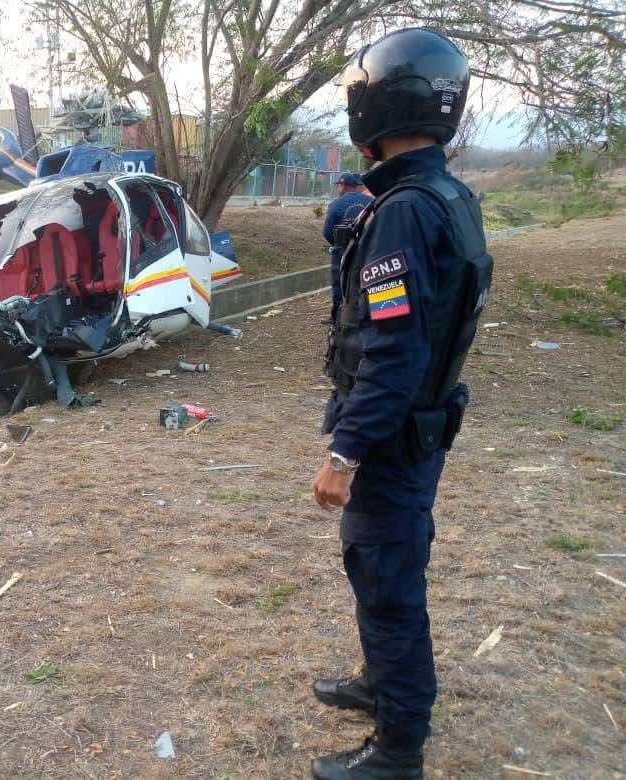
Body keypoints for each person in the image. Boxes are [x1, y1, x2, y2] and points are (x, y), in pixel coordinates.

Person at [310, 27, 494, 779]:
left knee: (387, 582)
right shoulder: (447, 195)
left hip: (389, 437)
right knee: (384, 570)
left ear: (371, 111)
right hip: (418, 427)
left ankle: (398, 747)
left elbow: (393, 352)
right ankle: (382, 685)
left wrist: (343, 453)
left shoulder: (404, 213)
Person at [323, 173, 373, 313]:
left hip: (342, 253)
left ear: (342, 185)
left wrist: (338, 244)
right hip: (367, 253)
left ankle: (337, 317)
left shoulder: (335, 204)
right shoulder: (370, 201)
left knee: (339, 287)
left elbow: (327, 232)